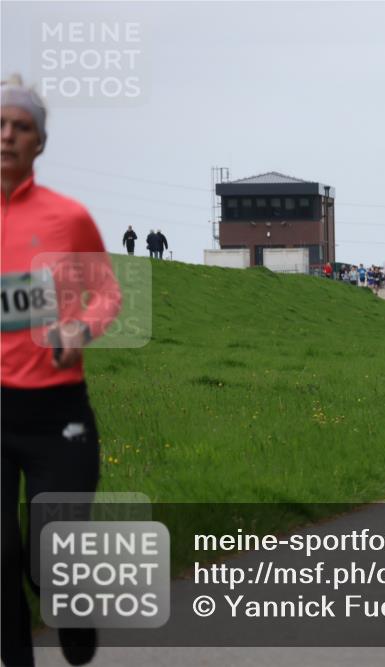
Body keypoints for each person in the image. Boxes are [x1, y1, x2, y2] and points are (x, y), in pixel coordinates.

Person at [2, 74, 122, 667]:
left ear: (39, 143)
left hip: (57, 415)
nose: (6, 136)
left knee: (46, 557)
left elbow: (107, 296)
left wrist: (82, 328)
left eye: (20, 127)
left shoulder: (67, 218)